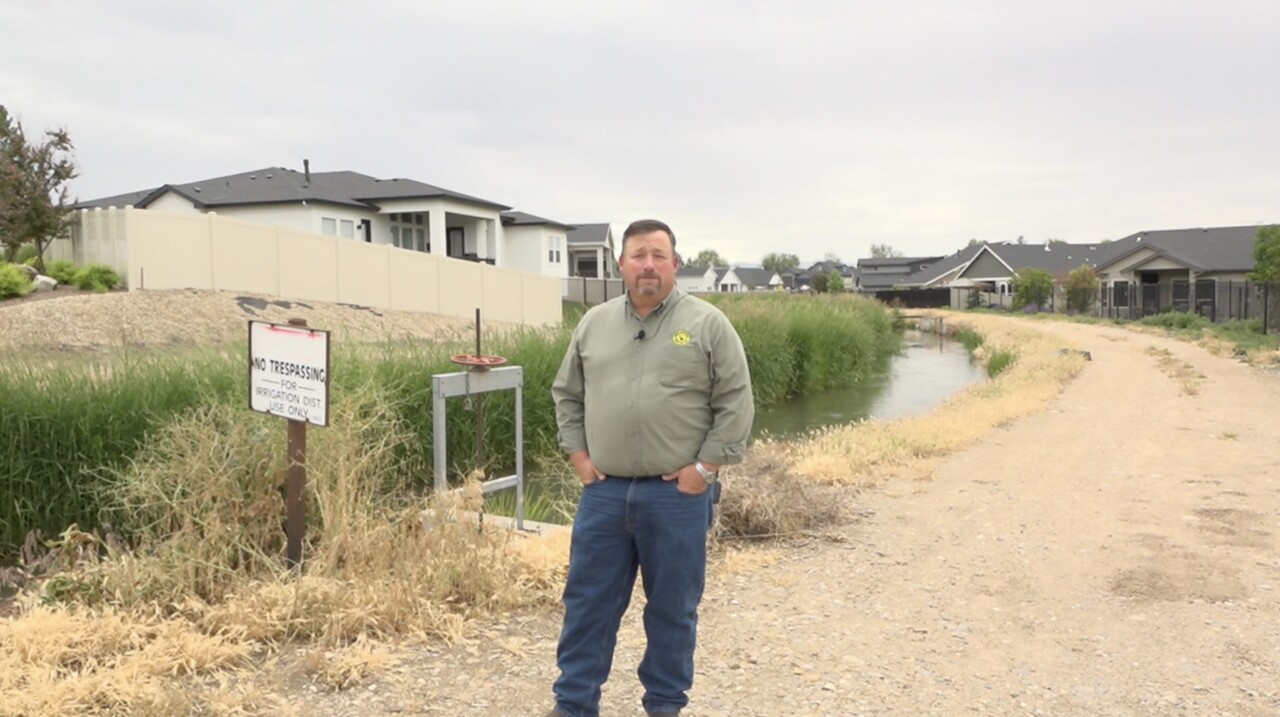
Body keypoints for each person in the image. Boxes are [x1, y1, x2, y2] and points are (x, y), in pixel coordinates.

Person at [545, 219, 754, 717]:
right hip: (604, 494)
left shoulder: (708, 324)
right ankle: (573, 706)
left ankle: (664, 706)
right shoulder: (593, 324)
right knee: (587, 609)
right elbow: (566, 394)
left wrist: (704, 469)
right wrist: (578, 455)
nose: (648, 265)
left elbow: (735, 401)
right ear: (620, 263)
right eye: (638, 255)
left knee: (672, 613)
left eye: (659, 256)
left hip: (677, 498)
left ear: (675, 265)